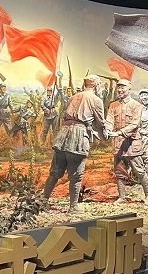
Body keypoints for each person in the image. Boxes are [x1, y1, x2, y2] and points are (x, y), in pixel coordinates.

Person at [43, 74, 106, 213]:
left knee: (55, 172)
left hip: (64, 134)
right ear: (96, 85)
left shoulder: (74, 96)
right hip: (78, 135)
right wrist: (105, 136)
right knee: (76, 175)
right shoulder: (96, 100)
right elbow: (100, 123)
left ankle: (42, 202)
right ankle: (73, 207)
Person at [105, 79, 148, 203]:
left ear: (129, 89)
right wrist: (108, 130)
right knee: (119, 171)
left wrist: (119, 132)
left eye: (123, 87)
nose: (120, 90)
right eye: (118, 87)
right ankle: (122, 197)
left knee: (139, 170)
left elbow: (135, 124)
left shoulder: (136, 105)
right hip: (118, 143)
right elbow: (109, 121)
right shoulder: (113, 105)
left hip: (132, 143)